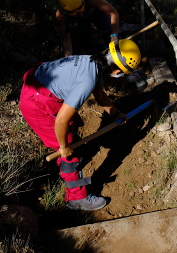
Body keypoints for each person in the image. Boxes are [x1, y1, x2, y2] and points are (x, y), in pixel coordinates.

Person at [19, 39, 142, 211]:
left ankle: (69, 159)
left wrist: (115, 114)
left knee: (72, 126)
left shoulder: (95, 61)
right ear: (117, 70)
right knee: (69, 151)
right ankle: (76, 198)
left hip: (41, 86)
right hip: (37, 103)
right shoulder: (87, 80)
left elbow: (99, 94)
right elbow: (61, 120)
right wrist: (64, 146)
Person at [55, 0, 120, 56]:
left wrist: (114, 35)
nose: (80, 14)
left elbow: (113, 13)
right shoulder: (60, 15)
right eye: (75, 13)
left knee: (108, 29)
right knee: (78, 41)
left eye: (80, 9)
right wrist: (68, 58)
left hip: (94, 12)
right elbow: (66, 39)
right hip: (75, 22)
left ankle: (114, 51)